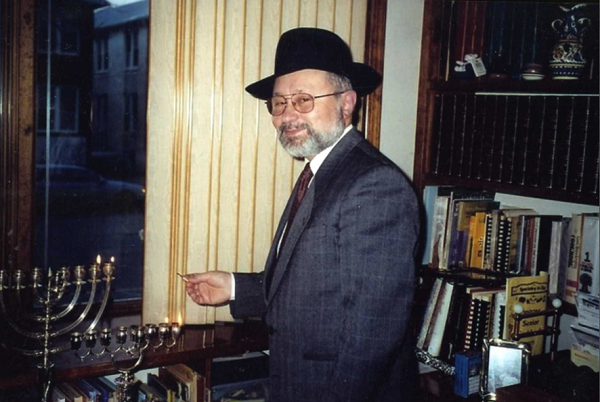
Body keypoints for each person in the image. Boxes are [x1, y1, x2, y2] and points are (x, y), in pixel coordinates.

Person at [185, 27, 420, 402]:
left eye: (304, 100)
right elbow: (313, 287)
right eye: (279, 103)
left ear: (347, 103)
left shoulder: (375, 184)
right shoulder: (319, 169)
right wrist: (232, 287)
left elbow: (373, 334)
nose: (287, 115)